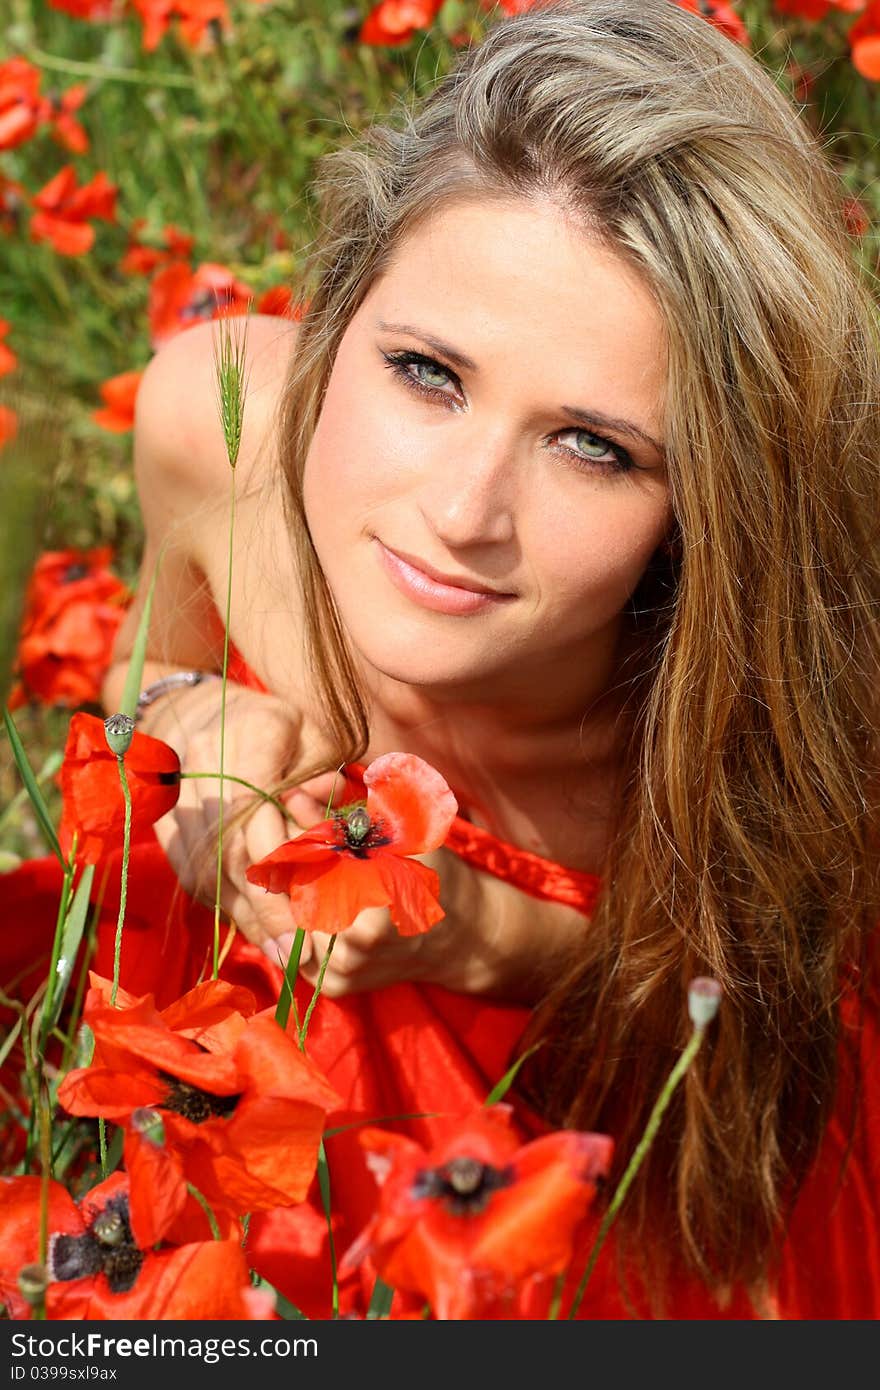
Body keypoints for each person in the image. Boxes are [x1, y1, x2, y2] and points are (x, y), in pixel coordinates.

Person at [90, 0, 880, 1317]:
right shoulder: (211, 423)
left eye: (595, 446)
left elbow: (747, 1006)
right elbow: (129, 686)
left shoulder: (734, 715)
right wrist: (195, 720)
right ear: (341, 308)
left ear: (702, 512)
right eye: (425, 371)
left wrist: (470, 934)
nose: (462, 513)